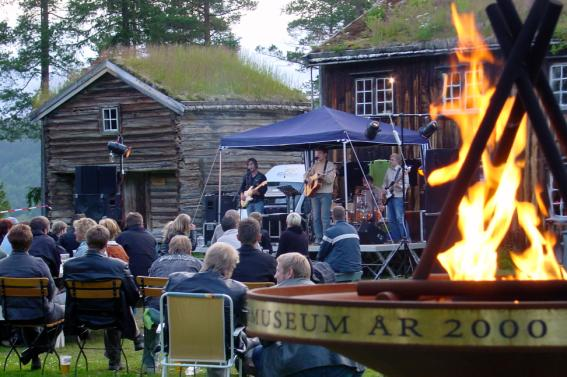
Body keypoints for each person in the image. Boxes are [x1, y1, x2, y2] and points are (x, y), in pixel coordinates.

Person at [253, 253, 364, 377]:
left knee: (258, 353)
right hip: (348, 364)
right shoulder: (328, 293)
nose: (275, 275)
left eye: (278, 270)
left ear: (289, 273)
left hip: (302, 365)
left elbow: (266, 339)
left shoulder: (274, 295)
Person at [63, 225, 143, 371]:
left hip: (80, 315)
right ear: (106, 244)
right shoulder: (118, 266)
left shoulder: (70, 266)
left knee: (117, 303)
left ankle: (119, 356)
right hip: (113, 316)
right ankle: (121, 354)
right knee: (119, 303)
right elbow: (133, 296)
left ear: (87, 243)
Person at [165, 242, 248, 377]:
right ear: (230, 265)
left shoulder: (175, 280)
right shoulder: (237, 289)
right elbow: (245, 321)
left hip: (180, 346)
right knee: (240, 338)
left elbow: (167, 314)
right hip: (218, 349)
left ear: (207, 259)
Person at [0, 224, 64, 370]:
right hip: (39, 313)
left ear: (10, 242)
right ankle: (34, 351)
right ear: (30, 242)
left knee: (27, 312)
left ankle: (34, 357)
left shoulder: (1, 266)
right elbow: (51, 290)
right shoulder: (39, 264)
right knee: (61, 312)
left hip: (11, 314)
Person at [142, 235, 203, 373]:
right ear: (189, 249)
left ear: (170, 248)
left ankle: (149, 362)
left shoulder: (157, 262)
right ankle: (192, 360)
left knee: (150, 311)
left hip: (158, 314)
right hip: (188, 314)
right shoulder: (197, 263)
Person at [317, 206, 362, 279]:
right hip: (356, 266)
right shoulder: (353, 229)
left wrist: (318, 262)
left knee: (317, 268)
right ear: (344, 215)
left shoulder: (330, 231)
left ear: (333, 216)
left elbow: (322, 252)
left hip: (339, 267)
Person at [304, 147, 336, 244]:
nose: (317, 155)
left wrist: (323, 176)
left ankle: (325, 239)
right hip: (315, 193)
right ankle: (318, 238)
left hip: (326, 194)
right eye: (317, 152)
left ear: (325, 154)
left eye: (320, 153)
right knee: (316, 217)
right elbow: (306, 176)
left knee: (324, 217)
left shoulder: (330, 166)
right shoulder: (315, 165)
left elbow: (331, 180)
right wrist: (309, 179)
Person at [232, 218, 276, 283]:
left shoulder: (228, 261)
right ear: (259, 237)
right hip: (259, 292)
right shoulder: (270, 261)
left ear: (237, 237)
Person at [116, 212, 157, 277]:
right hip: (149, 277)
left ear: (127, 223)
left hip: (131, 277)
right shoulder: (151, 237)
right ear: (142, 223)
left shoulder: (122, 237)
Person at [382, 153, 410, 241]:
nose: (390, 161)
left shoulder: (403, 171)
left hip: (398, 196)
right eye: (390, 159)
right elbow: (384, 183)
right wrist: (384, 190)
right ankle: (395, 238)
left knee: (399, 217)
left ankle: (405, 237)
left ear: (397, 161)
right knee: (391, 219)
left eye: (392, 159)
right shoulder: (388, 170)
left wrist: (399, 187)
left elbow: (407, 185)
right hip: (389, 197)